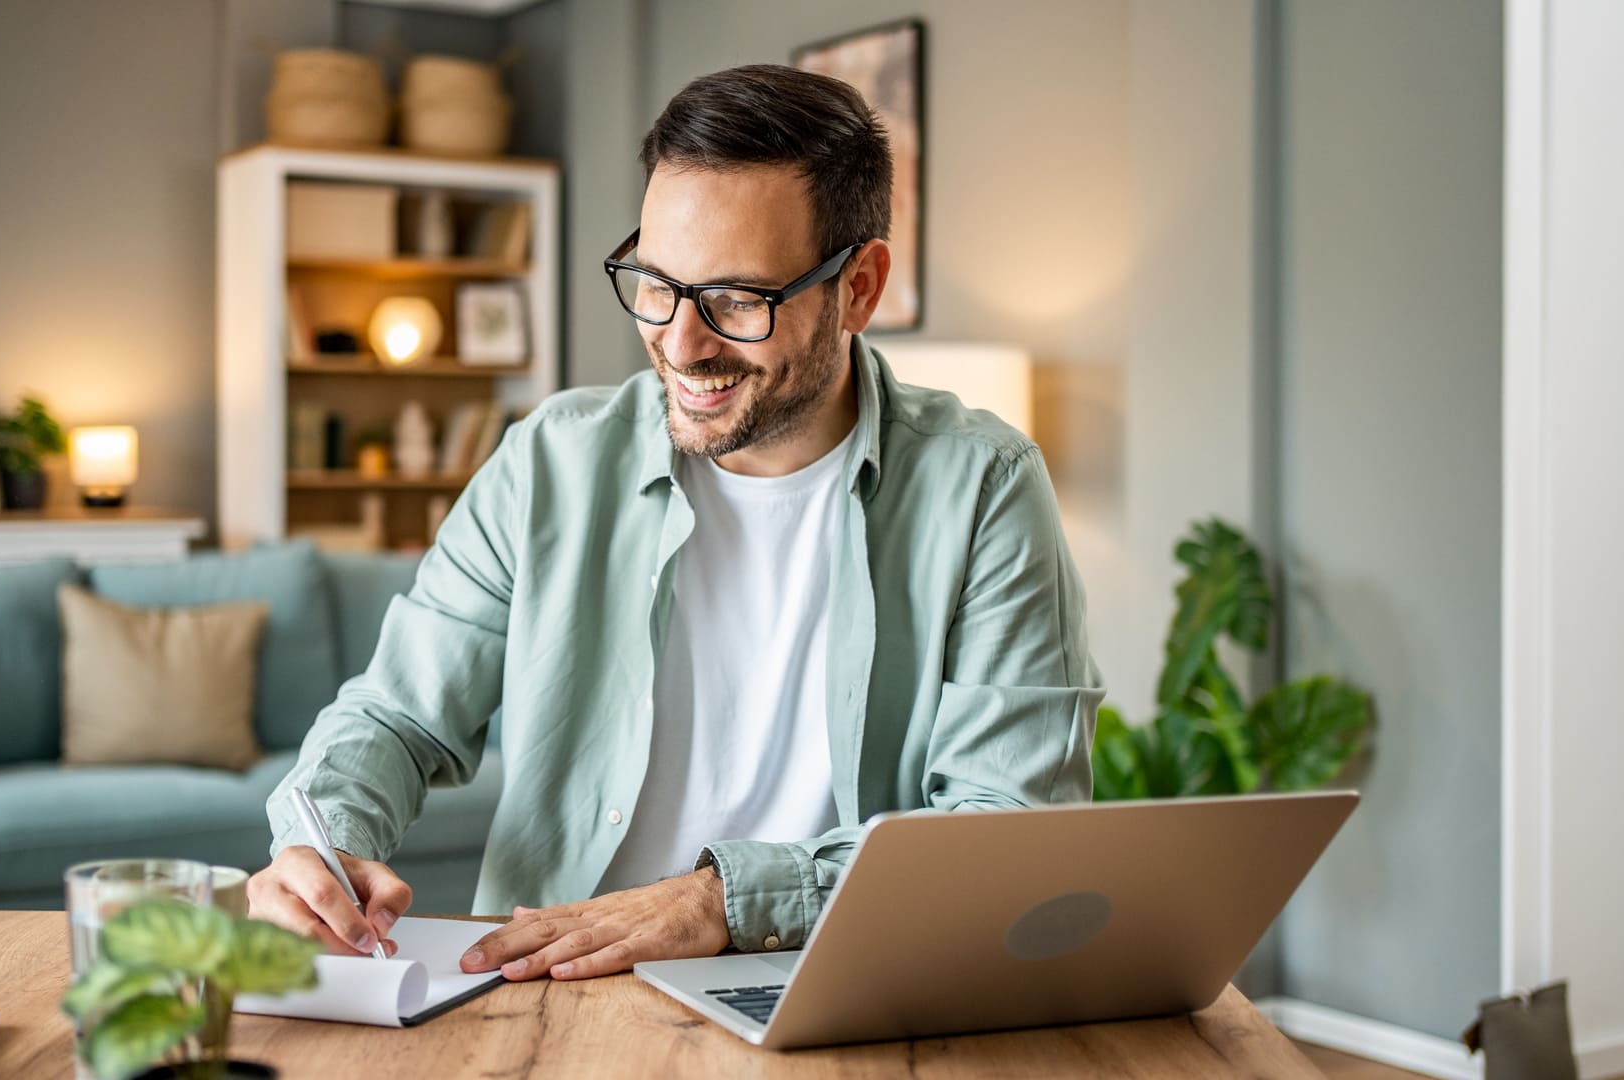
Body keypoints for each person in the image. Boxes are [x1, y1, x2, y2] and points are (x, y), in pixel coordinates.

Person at [249, 63, 1103, 983]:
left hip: (836, 991)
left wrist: (722, 902)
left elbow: (1006, 833)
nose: (681, 343)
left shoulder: (984, 488)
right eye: (656, 284)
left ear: (860, 288)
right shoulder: (552, 461)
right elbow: (399, 714)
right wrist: (320, 843)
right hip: (547, 987)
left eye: (737, 299)